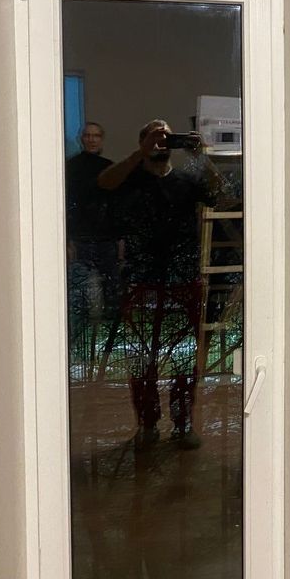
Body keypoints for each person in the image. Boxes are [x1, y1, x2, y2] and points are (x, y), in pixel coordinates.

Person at [98, 119, 223, 449]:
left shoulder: (186, 180)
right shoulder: (130, 178)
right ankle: (147, 424)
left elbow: (221, 195)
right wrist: (138, 154)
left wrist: (200, 156)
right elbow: (104, 182)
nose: (160, 143)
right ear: (142, 142)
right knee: (141, 359)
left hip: (183, 280)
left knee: (184, 358)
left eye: (166, 137)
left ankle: (182, 425)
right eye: (153, 137)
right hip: (142, 280)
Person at [65, 123, 121, 374]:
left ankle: (106, 355)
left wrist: (120, 240)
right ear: (82, 138)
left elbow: (115, 208)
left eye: (96, 135)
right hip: (81, 239)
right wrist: (68, 239)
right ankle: (80, 351)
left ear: (102, 139)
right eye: (87, 135)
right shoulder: (71, 167)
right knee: (81, 299)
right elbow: (68, 206)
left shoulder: (110, 168)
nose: (91, 139)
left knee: (110, 297)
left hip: (106, 239)